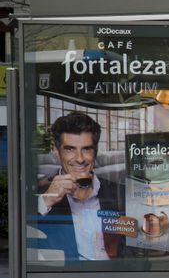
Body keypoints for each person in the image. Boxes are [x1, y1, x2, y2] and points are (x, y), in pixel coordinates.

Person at [36, 111, 125, 261]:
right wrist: (46, 201)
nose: (80, 159)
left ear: (95, 151)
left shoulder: (119, 193)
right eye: (70, 149)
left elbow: (134, 248)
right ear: (56, 151)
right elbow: (21, 242)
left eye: (86, 149)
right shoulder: (40, 197)